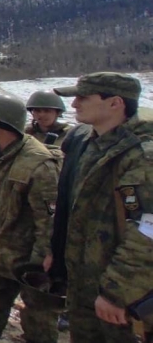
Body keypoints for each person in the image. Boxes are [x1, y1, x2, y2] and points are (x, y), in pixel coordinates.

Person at [48, 73, 153, 343]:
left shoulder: (142, 156)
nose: (74, 105)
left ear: (115, 103)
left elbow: (147, 232)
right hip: (87, 289)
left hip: (123, 299)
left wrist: (116, 292)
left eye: (83, 98)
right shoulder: (93, 145)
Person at [0, 95, 61, 343]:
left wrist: (42, 260)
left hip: (29, 258)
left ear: (2, 123)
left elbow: (49, 220)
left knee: (38, 319)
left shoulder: (38, 164)